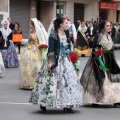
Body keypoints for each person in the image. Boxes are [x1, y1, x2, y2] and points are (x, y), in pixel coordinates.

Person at [29, 16, 83, 113]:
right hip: (55, 59)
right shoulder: (53, 35)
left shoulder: (66, 33)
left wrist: (72, 56)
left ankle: (67, 104)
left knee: (68, 82)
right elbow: (51, 50)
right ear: (61, 24)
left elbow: (68, 46)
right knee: (50, 81)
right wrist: (50, 62)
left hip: (65, 59)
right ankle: (43, 102)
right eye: (66, 23)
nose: (68, 25)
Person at [80, 20, 120, 107]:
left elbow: (111, 48)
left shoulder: (109, 36)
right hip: (100, 60)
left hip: (109, 60)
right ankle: (96, 99)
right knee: (100, 78)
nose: (109, 27)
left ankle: (115, 99)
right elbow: (94, 49)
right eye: (107, 26)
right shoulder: (98, 36)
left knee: (114, 77)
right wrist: (98, 59)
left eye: (110, 26)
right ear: (103, 27)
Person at [19, 18, 48, 90]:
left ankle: (36, 82)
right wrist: (26, 42)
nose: (29, 25)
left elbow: (42, 40)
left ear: (33, 24)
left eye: (30, 24)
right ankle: (27, 82)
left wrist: (42, 49)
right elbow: (30, 40)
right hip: (29, 48)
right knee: (25, 63)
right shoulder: (31, 31)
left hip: (36, 49)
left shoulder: (38, 31)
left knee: (36, 65)